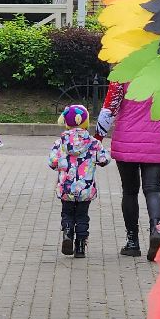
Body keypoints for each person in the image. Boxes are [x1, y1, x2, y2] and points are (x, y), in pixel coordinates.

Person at [98, 81, 160, 260]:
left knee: (130, 192)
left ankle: (132, 243)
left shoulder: (123, 74)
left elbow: (109, 109)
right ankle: (155, 230)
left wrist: (97, 139)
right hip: (158, 140)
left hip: (127, 139)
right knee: (153, 189)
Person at [49, 104, 110, 259]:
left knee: (67, 213)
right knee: (82, 216)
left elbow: (52, 162)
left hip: (66, 187)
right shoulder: (93, 143)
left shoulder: (60, 142)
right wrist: (97, 161)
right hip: (85, 188)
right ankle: (81, 247)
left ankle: (68, 234)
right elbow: (104, 159)